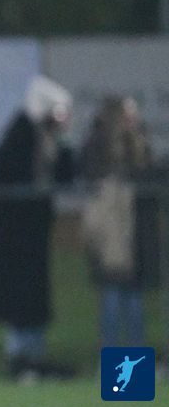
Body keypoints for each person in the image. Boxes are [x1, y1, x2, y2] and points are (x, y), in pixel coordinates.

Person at [0, 75, 75, 383]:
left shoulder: (47, 139)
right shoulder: (21, 134)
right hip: (16, 236)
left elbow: (64, 175)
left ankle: (33, 357)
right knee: (21, 298)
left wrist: (63, 142)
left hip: (35, 234)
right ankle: (20, 359)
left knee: (34, 297)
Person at [80, 96, 161, 348]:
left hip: (129, 234)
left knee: (125, 297)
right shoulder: (107, 146)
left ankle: (125, 362)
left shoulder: (133, 144)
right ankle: (118, 359)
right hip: (114, 232)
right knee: (116, 296)